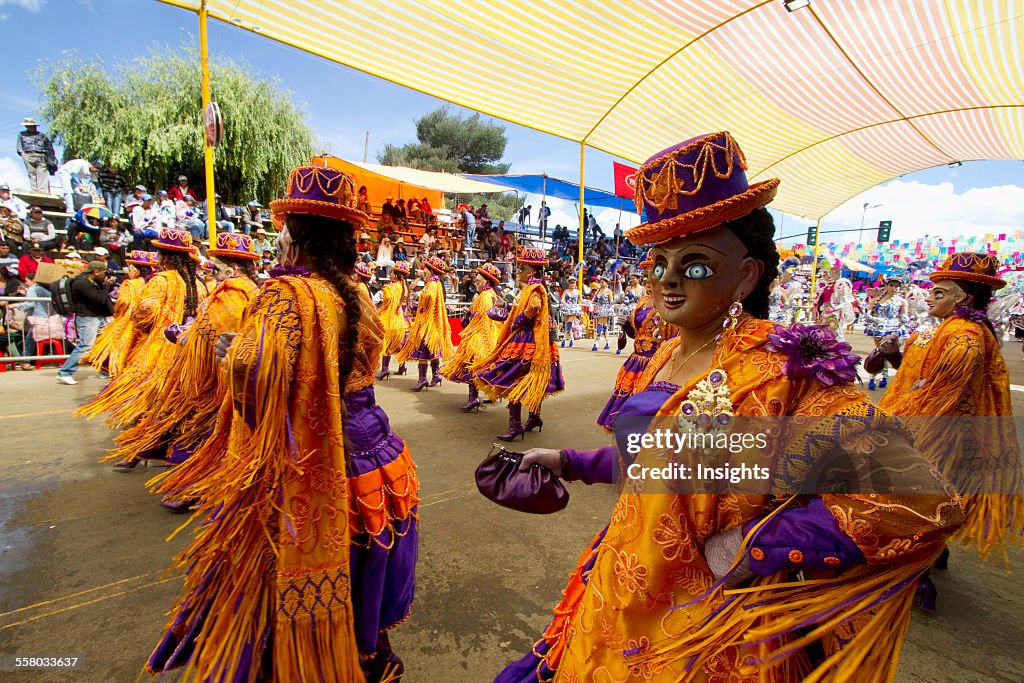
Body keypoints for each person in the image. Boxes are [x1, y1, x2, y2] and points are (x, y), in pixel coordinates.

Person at [494, 132, 962, 683]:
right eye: (658, 262)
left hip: (707, 634)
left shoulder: (786, 370)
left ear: (745, 275)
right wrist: (569, 461)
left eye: (693, 264)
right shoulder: (667, 352)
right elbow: (659, 466)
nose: (667, 278)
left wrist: (751, 548)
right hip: (621, 587)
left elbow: (913, 497)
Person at [146, 165, 418, 682]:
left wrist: (227, 355)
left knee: (287, 562)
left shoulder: (286, 297)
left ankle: (312, 660)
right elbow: (370, 354)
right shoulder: (357, 296)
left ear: (293, 233)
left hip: (310, 460)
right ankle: (373, 652)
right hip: (378, 453)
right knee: (367, 559)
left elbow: (252, 377)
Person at [875, 253, 1023, 593]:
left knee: (914, 502)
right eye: (932, 291)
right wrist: (896, 356)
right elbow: (921, 378)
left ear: (964, 299)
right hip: (935, 432)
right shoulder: (949, 330)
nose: (929, 297)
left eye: (940, 293)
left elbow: (939, 394)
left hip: (938, 436)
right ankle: (930, 557)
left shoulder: (965, 337)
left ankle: (914, 575)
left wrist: (890, 425)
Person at [105, 233, 261, 508]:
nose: (211, 268)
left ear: (232, 267)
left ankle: (197, 487)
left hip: (204, 370)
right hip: (223, 370)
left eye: (216, 263)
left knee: (194, 425)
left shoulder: (228, 293)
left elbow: (209, 332)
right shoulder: (240, 289)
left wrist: (182, 335)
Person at [76, 227, 200, 433]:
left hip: (157, 344)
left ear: (165, 257)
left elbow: (145, 309)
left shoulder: (160, 280)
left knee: (142, 393)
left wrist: (141, 325)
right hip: (184, 343)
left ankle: (142, 437)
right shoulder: (190, 281)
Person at [473, 246, 565, 440]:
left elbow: (533, 307)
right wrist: (505, 306)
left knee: (513, 380)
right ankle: (534, 418)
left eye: (520, 268)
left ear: (530, 271)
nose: (517, 271)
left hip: (528, 343)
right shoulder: (533, 287)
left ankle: (515, 426)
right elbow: (525, 306)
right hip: (533, 342)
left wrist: (518, 321)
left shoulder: (534, 288)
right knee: (528, 381)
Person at [596, 258, 678, 432]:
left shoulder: (668, 303)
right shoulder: (642, 303)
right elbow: (635, 334)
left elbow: (673, 338)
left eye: (652, 277)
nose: (648, 283)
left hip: (655, 363)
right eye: (645, 278)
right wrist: (625, 325)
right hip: (635, 362)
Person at [83, 250, 157, 378]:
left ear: (136, 269)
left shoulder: (130, 284)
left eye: (131, 267)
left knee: (120, 349)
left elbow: (123, 302)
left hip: (126, 322)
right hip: (144, 323)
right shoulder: (150, 282)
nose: (128, 270)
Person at [441, 262, 503, 412]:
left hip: (481, 337)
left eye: (478, 280)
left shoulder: (485, 296)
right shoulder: (489, 295)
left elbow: (483, 317)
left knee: (472, 367)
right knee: (479, 368)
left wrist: (470, 320)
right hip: (488, 335)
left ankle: (473, 398)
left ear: (486, 281)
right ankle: (489, 395)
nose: (475, 283)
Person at [396, 253, 453, 391]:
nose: (424, 271)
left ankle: (423, 379)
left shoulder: (432, 284)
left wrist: (420, 303)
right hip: (432, 324)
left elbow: (429, 298)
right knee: (431, 351)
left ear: (431, 270)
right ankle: (435, 376)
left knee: (422, 351)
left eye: (426, 268)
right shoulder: (436, 283)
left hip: (427, 324)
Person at [55, 261, 116, 385]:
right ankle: (65, 372)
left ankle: (105, 370)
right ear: (95, 272)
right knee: (85, 345)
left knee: (105, 343)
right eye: (104, 273)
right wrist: (106, 286)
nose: (105, 275)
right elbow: (100, 299)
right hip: (87, 318)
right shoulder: (81, 283)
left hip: (97, 317)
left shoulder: (93, 282)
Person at [863, 274, 909, 390]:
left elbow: (904, 317)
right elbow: (868, 315)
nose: (894, 288)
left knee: (891, 354)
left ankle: (883, 377)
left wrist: (906, 321)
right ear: (886, 286)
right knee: (880, 353)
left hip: (894, 330)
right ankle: (875, 376)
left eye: (897, 286)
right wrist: (877, 320)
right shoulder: (876, 300)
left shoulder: (902, 302)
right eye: (892, 285)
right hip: (879, 329)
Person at [16, 118, 55, 193]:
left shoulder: (42, 135)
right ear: (26, 127)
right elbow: (19, 146)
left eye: (33, 126)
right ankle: (34, 190)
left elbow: (49, 147)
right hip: (28, 155)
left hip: (41, 155)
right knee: (31, 172)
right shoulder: (21, 134)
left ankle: (42, 190)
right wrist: (23, 154)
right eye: (29, 126)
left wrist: (50, 159)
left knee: (42, 173)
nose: (32, 128)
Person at [590, 275, 615, 351]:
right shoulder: (598, 291)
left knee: (600, 324)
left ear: (606, 283)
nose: (601, 283)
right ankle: (607, 341)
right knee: (604, 325)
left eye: (603, 282)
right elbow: (594, 300)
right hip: (599, 309)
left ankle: (596, 342)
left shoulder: (608, 291)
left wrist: (610, 307)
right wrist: (591, 304)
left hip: (605, 309)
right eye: (600, 282)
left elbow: (611, 301)